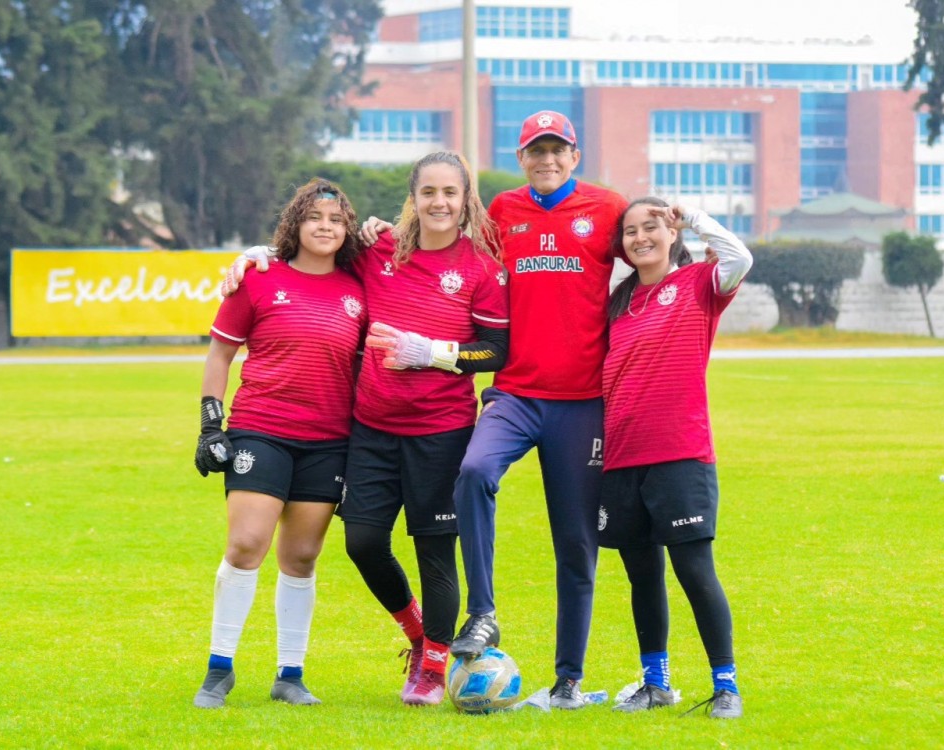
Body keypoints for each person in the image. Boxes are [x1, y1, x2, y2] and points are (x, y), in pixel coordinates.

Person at [360, 111, 628, 708]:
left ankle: (568, 679)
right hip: (514, 393)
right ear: (522, 156)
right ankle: (483, 614)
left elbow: (651, 252)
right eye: (537, 150)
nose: (548, 160)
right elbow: (436, 224)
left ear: (575, 155)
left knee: (576, 543)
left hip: (582, 402)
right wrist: (380, 225)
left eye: (558, 150)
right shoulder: (501, 212)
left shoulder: (608, 208)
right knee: (476, 471)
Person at [224, 151, 510, 706]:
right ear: (413, 197)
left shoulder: (482, 268)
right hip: (371, 429)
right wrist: (257, 255)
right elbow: (311, 247)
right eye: (428, 192)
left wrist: (437, 353)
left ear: (466, 198)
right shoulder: (377, 250)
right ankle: (418, 633)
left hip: (441, 431)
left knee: (434, 552)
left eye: (450, 192)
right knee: (363, 542)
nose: (439, 203)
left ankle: (430, 669)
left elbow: (498, 349)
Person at [192, 178, 367, 709]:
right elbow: (220, 354)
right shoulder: (260, 280)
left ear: (347, 229)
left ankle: (290, 674)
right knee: (246, 544)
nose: (325, 227)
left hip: (329, 441)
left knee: (303, 556)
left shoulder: (360, 288)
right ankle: (218, 669)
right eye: (315, 217)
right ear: (296, 224)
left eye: (336, 220)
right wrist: (209, 425)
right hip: (261, 429)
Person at [599, 197, 751, 719]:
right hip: (621, 459)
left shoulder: (697, 284)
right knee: (642, 575)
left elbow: (740, 258)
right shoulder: (617, 303)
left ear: (671, 234)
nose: (641, 237)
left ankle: (726, 685)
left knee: (693, 570)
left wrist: (695, 220)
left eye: (652, 227)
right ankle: (655, 682)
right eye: (631, 231)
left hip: (680, 455)